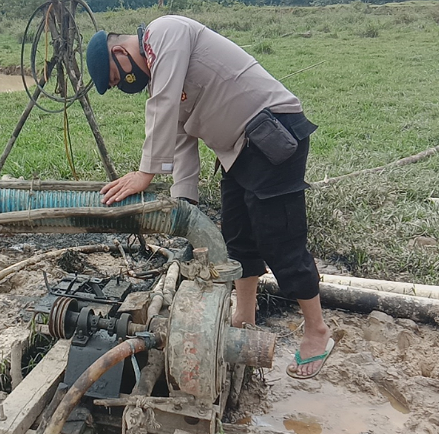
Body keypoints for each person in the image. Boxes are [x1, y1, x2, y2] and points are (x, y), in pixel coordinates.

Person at [86, 15, 333, 379]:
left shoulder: (164, 32)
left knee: (280, 240)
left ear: (120, 52)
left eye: (116, 76)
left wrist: (145, 173)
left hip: (271, 131)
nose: (124, 84)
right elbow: (182, 142)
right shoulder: (163, 74)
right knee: (237, 238)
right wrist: (185, 207)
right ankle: (243, 319)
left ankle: (317, 332)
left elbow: (163, 104)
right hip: (238, 151)